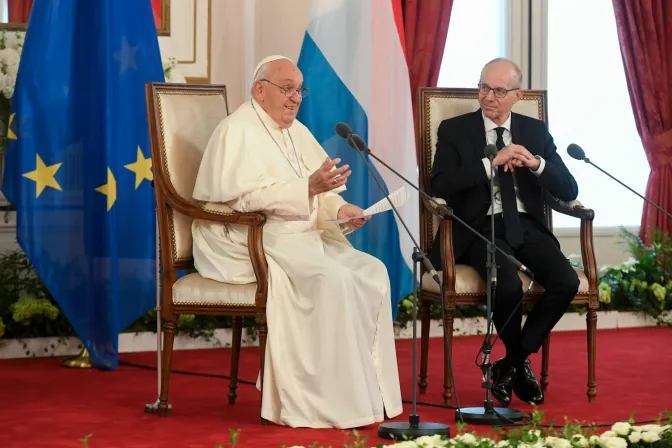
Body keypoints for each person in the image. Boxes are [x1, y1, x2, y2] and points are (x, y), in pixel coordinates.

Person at [191, 55, 403, 428]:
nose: (295, 99)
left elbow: (318, 195)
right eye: (286, 89)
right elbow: (240, 199)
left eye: (299, 90)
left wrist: (340, 209)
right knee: (330, 279)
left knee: (372, 271)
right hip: (247, 234)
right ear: (260, 90)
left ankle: (366, 395)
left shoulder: (296, 131)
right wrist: (307, 188)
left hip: (299, 233)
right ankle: (315, 400)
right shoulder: (236, 130)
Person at [428, 58, 580, 406]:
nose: (489, 97)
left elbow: (568, 189)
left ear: (517, 95)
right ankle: (519, 366)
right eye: (483, 87)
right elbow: (439, 183)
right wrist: (489, 164)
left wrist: (536, 164)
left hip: (526, 226)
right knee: (505, 284)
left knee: (566, 281)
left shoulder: (535, 132)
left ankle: (511, 363)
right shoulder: (455, 130)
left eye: (498, 90)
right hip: (478, 227)